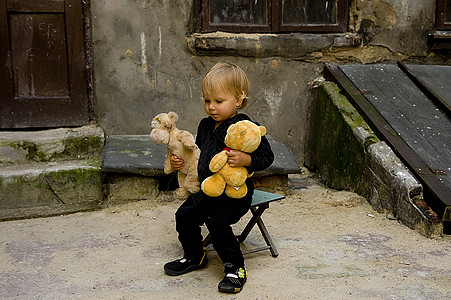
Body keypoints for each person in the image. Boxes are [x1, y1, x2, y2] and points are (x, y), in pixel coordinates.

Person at [164, 62, 274, 294]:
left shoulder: (245, 127)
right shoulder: (205, 125)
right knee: (184, 215)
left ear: (238, 100)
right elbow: (198, 155)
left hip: (235, 194)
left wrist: (247, 160)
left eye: (218, 101)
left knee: (217, 221)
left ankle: (235, 268)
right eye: (207, 100)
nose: (211, 107)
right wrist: (182, 163)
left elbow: (267, 156)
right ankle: (195, 256)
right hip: (207, 188)